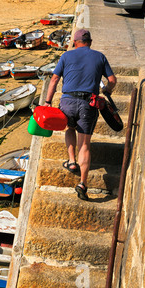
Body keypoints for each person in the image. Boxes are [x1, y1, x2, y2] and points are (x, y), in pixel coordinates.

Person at [44, 29, 117, 201]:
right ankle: (83, 184)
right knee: (84, 145)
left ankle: (71, 161)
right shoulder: (99, 56)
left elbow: (54, 79)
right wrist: (106, 90)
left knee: (70, 128)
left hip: (67, 102)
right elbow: (112, 80)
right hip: (88, 104)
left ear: (74, 42)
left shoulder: (66, 56)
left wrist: (47, 102)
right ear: (90, 42)